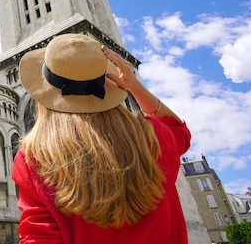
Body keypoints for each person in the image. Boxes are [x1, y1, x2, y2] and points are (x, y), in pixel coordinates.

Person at [12, 33, 191, 244]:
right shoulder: (154, 136)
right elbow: (178, 130)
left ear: (45, 92)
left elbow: (38, 237)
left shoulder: (33, 157)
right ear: (109, 83)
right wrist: (135, 86)